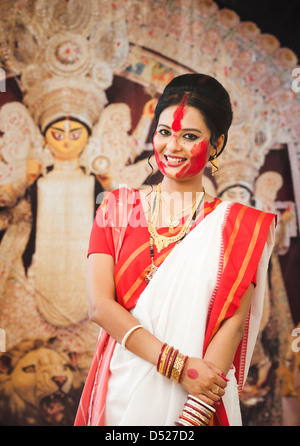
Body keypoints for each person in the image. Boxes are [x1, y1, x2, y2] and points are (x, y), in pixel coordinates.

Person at [74, 73, 276, 426]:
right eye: (165, 132)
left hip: (197, 400)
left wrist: (194, 414)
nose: (173, 146)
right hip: (123, 390)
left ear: (216, 144)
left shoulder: (240, 226)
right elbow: (99, 306)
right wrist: (179, 367)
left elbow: (233, 323)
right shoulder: (117, 209)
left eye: (190, 136)